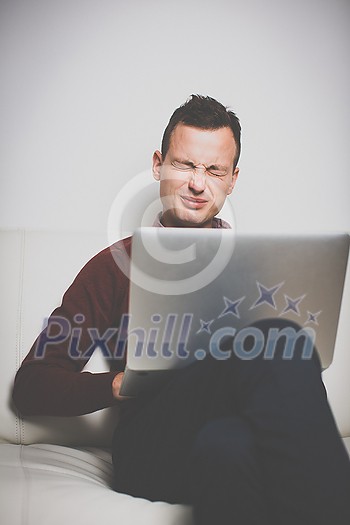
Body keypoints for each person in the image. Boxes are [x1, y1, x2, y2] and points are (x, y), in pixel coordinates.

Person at [12, 95, 350, 524]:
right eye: (185, 165)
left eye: (214, 170)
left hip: (231, 440)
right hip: (154, 446)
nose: (197, 183)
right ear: (158, 164)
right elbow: (31, 386)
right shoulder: (114, 267)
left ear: (233, 179)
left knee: (228, 445)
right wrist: (118, 384)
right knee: (278, 337)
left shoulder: (266, 266)